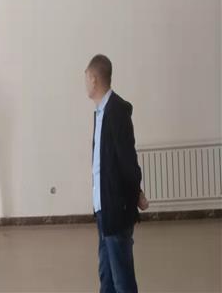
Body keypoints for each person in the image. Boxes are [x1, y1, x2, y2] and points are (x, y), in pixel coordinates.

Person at [84, 54, 149, 293]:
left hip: (116, 208)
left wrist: (136, 193)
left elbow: (127, 160)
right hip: (103, 207)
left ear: (93, 78)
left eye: (86, 78)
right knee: (107, 276)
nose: (85, 84)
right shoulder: (101, 112)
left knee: (122, 278)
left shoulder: (117, 110)